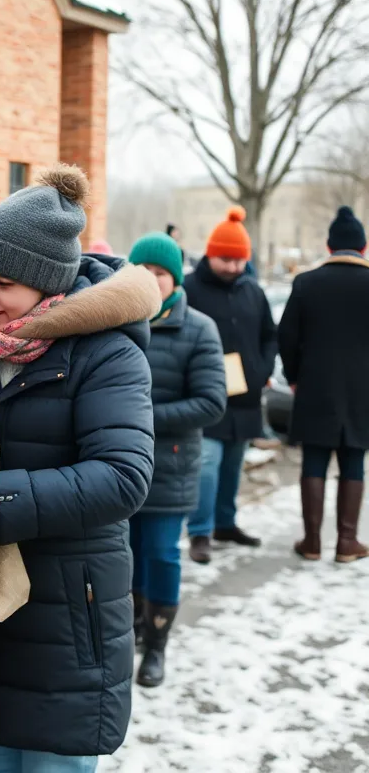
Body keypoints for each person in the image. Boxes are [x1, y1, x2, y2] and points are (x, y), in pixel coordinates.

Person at [0, 165, 159, 772]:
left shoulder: (106, 353)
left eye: (3, 282)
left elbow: (124, 476)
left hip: (67, 626)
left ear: (48, 282)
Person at [127, 232, 226, 687]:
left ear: (175, 279)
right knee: (125, 554)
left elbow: (211, 402)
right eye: (142, 270)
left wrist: (140, 415)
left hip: (169, 465)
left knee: (162, 553)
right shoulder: (114, 321)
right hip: (118, 463)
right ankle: (131, 626)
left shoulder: (199, 329)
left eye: (160, 273)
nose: (151, 279)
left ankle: (157, 643)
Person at [182, 206, 278, 564]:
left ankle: (225, 523)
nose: (234, 267)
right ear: (211, 254)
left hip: (246, 397)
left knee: (233, 465)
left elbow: (270, 334)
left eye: (239, 260)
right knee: (207, 463)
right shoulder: (190, 288)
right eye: (227, 259)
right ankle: (200, 531)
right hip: (206, 394)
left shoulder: (253, 290)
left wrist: (263, 366)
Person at [279, 206, 369, 563]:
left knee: (314, 461)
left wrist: (294, 377)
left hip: (315, 387)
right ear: (363, 247)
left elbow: (286, 336)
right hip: (362, 392)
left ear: (329, 246)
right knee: (354, 461)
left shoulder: (306, 283)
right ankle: (347, 542)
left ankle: (312, 542)